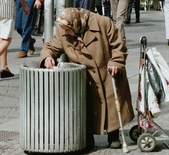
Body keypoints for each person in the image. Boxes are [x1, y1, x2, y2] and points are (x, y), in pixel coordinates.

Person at [39, 7, 134, 151]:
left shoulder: (103, 22)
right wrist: (47, 56)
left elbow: (118, 45)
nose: (65, 32)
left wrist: (116, 62)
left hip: (106, 72)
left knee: (111, 105)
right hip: (85, 77)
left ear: (76, 24)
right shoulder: (63, 29)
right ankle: (87, 138)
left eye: (68, 29)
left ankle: (114, 135)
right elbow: (52, 46)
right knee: (87, 108)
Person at [0, 0, 29, 78]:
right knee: (7, 39)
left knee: (2, 39)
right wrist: (25, 6)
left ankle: (5, 67)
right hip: (6, 9)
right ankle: (4, 67)